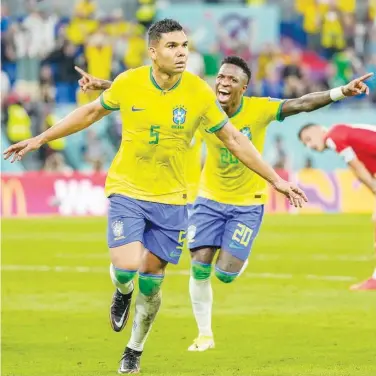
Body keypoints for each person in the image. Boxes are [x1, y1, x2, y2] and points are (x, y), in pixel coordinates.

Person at [3, 20, 307, 374]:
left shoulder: (197, 92)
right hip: (127, 190)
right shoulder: (129, 82)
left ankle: (134, 350)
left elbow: (236, 140)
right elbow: (90, 111)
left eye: (184, 46)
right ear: (153, 52)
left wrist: (276, 180)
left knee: (151, 281)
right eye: (172, 46)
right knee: (127, 268)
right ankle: (121, 290)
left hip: (173, 199)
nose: (181, 53)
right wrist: (40, 139)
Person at [73, 55, 372, 353]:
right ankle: (204, 335)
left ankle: (237, 256)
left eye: (232, 80)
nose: (224, 83)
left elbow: (303, 103)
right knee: (199, 266)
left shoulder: (259, 109)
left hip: (248, 202)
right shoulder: (204, 107)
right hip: (209, 200)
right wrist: (104, 85)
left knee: (225, 274)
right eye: (221, 77)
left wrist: (341, 92)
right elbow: (154, 95)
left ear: (244, 88)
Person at [299, 122, 376, 291]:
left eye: (308, 139)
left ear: (318, 129)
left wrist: (373, 187)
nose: (309, 146)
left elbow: (356, 166)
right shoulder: (345, 134)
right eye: (305, 144)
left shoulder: (334, 137)